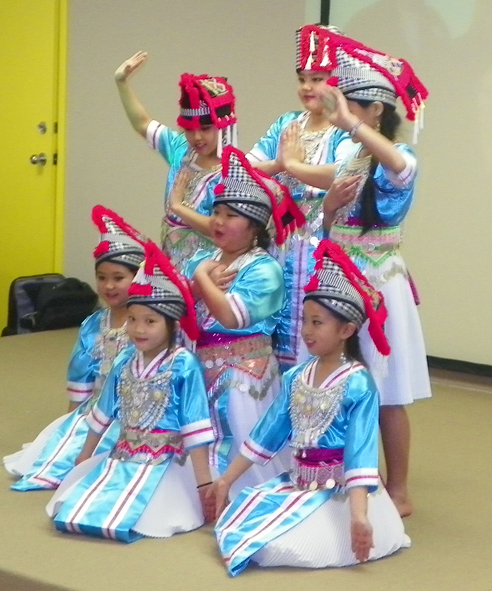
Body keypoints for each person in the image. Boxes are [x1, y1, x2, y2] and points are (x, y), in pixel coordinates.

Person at [209, 239, 410, 576]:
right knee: (241, 520)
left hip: (344, 494)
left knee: (280, 548)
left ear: (346, 330)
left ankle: (362, 523)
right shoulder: (299, 376)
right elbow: (268, 434)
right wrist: (226, 480)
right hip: (300, 482)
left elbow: (361, 452)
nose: (306, 331)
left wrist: (359, 516)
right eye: (305, 321)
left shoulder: (359, 383)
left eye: (318, 323)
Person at [313, 29, 430, 517]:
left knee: (388, 390)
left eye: (351, 107)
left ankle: (398, 488)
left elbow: (400, 166)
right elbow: (327, 225)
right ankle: (340, 473)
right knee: (334, 380)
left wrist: (351, 126)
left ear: (374, 111)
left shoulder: (397, 158)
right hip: (340, 275)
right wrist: (328, 209)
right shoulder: (346, 156)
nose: (342, 116)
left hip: (379, 281)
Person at [47, 241, 215, 542]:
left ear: (172, 323)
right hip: (123, 453)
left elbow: (195, 426)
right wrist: (83, 458)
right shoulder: (125, 359)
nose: (138, 329)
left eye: (150, 321)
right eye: (134, 319)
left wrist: (204, 485)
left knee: (145, 516)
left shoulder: (183, 364)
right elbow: (103, 412)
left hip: (166, 461)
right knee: (75, 513)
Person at [182, 146, 305, 496]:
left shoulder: (263, 269)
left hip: (243, 372)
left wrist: (202, 278)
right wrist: (197, 281)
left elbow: (229, 316)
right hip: (200, 367)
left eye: (230, 215)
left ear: (253, 227)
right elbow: (177, 309)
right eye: (216, 212)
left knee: (243, 436)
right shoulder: (206, 257)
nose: (218, 221)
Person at [4, 206, 146, 491]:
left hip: (136, 414)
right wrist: (68, 423)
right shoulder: (94, 324)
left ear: (138, 278)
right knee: (59, 453)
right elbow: (82, 380)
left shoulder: (146, 324)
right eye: (102, 277)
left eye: (119, 278)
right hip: (94, 412)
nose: (108, 286)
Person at [246, 24, 354, 371]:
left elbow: (345, 172)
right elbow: (246, 167)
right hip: (281, 243)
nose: (308, 87)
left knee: (318, 325)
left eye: (318, 78)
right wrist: (280, 163)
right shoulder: (288, 123)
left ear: (337, 80)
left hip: (324, 244)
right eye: (302, 78)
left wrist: (290, 165)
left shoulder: (345, 127)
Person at [115, 51, 237, 271]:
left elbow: (222, 230)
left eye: (206, 128)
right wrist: (121, 82)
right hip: (172, 262)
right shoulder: (181, 149)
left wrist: (178, 207)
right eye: (190, 129)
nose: (197, 137)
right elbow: (143, 123)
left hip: (208, 270)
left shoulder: (232, 172)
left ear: (223, 124)